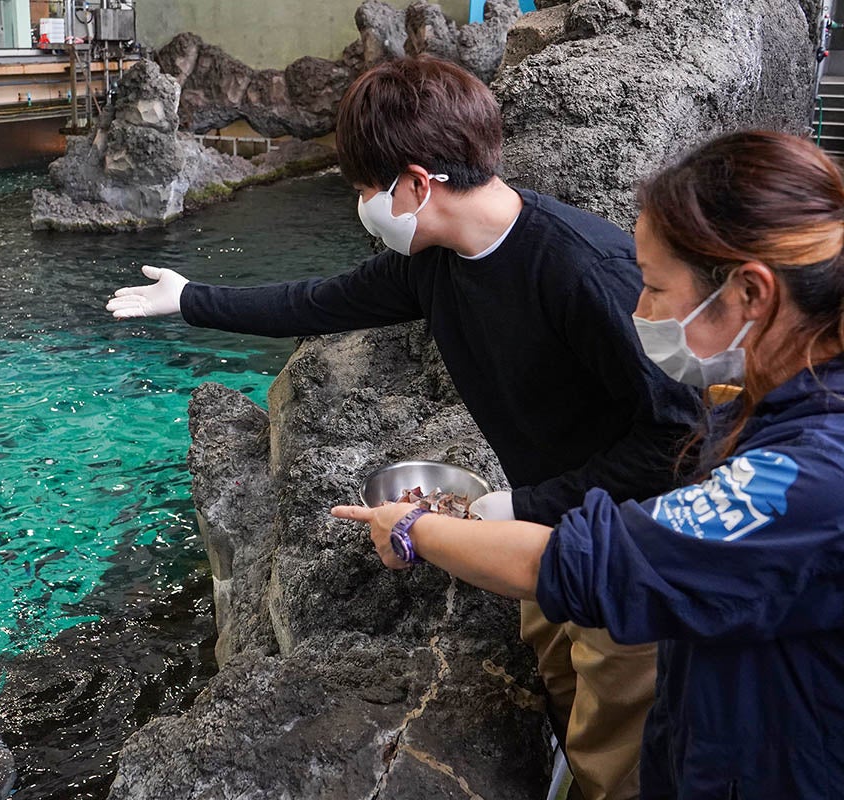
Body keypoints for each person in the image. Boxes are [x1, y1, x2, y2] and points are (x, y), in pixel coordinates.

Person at [106, 56, 700, 800]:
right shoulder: (435, 260)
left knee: (622, 756)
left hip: (627, 553)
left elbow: (680, 444)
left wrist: (513, 507)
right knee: (562, 697)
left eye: (363, 188)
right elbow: (316, 302)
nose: (360, 204)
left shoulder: (585, 271)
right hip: (543, 537)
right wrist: (193, 300)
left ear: (417, 183)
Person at [333, 129, 844, 797]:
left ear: (751, 293)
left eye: (656, 288)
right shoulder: (782, 399)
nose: (639, 310)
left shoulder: (810, 477)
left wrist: (412, 528)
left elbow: (572, 562)